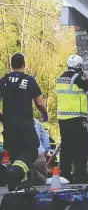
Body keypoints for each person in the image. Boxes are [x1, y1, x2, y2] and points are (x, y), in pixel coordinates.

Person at [0, 53, 48, 191]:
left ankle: (21, 186)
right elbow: (38, 103)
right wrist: (45, 114)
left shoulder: (3, 81)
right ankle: (16, 173)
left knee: (16, 155)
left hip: (8, 128)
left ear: (11, 65)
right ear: (23, 65)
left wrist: (2, 117)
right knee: (31, 151)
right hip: (25, 126)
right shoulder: (29, 80)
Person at [55, 54, 88, 183]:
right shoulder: (77, 78)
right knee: (82, 147)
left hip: (63, 118)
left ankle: (65, 174)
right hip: (76, 118)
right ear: (80, 66)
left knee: (66, 146)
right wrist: (86, 74)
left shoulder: (60, 78)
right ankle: (80, 174)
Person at [30, 118, 51, 185]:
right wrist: (44, 153)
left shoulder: (13, 121)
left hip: (22, 160)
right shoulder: (36, 121)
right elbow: (45, 138)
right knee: (44, 185)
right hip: (39, 156)